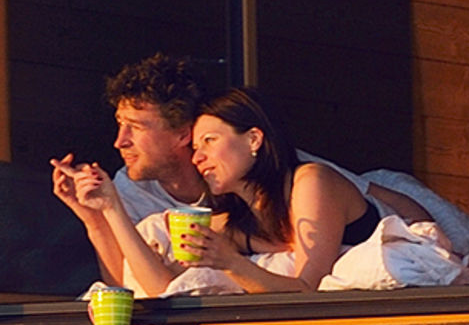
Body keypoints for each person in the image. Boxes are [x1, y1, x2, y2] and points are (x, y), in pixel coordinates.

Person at [57, 88, 382, 298]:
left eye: (210, 141)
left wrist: (231, 263)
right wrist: (106, 211)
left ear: (254, 139)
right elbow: (160, 288)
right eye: (195, 147)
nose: (198, 157)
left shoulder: (311, 181)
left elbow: (309, 292)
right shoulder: (238, 216)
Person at [43, 53, 220, 293]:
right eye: (120, 124)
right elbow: (126, 286)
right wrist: (94, 219)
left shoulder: (227, 177)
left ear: (182, 134)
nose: (120, 141)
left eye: (135, 127)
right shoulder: (128, 188)